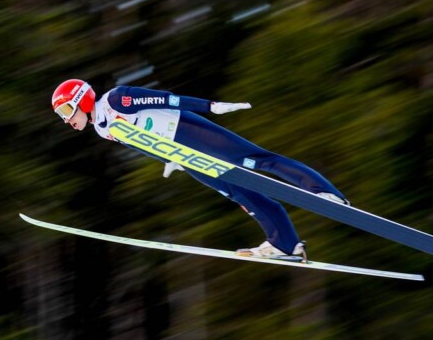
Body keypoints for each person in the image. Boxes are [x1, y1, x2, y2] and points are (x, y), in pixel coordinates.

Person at [50, 79, 349, 262]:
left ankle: (324, 193)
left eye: (66, 111)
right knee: (239, 192)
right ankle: (285, 244)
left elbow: (167, 99)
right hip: (182, 154)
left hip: (190, 131)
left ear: (81, 100)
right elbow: (141, 143)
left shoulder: (116, 100)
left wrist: (211, 106)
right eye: (61, 115)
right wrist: (168, 159)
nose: (66, 120)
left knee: (257, 160)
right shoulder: (102, 129)